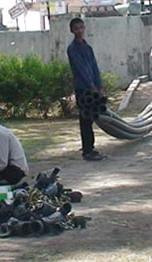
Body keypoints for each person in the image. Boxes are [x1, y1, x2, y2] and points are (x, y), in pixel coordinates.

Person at [67, 18, 106, 161]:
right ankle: (87, 151)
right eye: (76, 28)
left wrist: (99, 85)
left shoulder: (88, 48)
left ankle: (91, 147)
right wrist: (91, 86)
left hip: (93, 87)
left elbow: (94, 67)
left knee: (90, 119)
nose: (79, 30)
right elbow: (81, 69)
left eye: (81, 27)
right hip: (82, 88)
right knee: (84, 119)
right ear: (72, 31)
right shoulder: (72, 49)